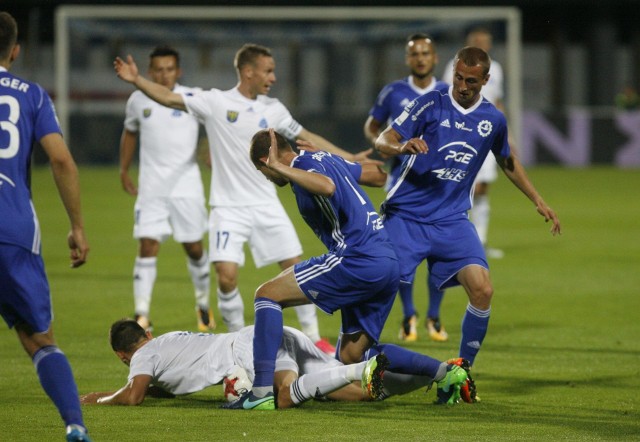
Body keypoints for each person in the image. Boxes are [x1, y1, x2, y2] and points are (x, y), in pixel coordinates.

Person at [113, 43, 375, 354]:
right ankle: (237, 344)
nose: (273, 77)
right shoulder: (215, 102)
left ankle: (314, 336)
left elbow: (308, 137)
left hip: (266, 202)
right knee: (226, 278)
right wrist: (137, 80)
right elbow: (169, 97)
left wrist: (350, 157)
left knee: (296, 266)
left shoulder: (273, 109)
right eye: (268, 71)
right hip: (227, 207)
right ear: (248, 72)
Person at [222, 128, 474, 411]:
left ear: (266, 160)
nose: (267, 177)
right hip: (386, 260)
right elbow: (378, 176)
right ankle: (447, 372)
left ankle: (260, 394)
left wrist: (284, 166)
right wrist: (336, 159)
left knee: (267, 294)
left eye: (263, 170)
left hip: (357, 258)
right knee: (352, 355)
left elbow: (327, 186)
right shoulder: (321, 159)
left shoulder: (300, 165)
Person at [376, 46, 561, 371]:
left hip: (451, 221)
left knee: (482, 289)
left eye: (471, 81)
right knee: (377, 289)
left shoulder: (492, 119)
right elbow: (383, 139)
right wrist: (402, 145)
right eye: (458, 78)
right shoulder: (431, 103)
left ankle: (461, 372)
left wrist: (538, 199)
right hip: (406, 217)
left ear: (485, 80)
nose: (462, 86)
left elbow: (507, 160)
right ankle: (350, 362)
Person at [0, 11, 92, 442]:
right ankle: (74, 424)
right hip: (14, 229)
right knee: (39, 339)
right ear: (15, 51)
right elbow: (60, 159)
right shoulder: (31, 95)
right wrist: (77, 226)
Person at [79, 318, 450, 409]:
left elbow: (135, 396)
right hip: (267, 332)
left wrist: (101, 399)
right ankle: (441, 374)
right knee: (359, 395)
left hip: (248, 348)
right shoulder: (166, 341)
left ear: (123, 354)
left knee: (285, 397)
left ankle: (358, 369)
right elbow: (162, 388)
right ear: (146, 332)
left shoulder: (142, 356)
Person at [119, 45, 213, 333]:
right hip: (152, 187)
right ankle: (142, 313)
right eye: (158, 69)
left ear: (178, 71)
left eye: (169, 69)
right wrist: (123, 169)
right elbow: (130, 133)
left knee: (194, 248)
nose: (163, 74)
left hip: (186, 186)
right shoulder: (137, 100)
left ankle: (202, 304)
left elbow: (214, 126)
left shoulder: (191, 97)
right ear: (149, 72)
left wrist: (209, 151)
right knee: (147, 245)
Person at [364, 33, 449, 343]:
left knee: (440, 257)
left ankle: (435, 315)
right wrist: (382, 145)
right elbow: (373, 126)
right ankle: (409, 314)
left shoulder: (448, 92)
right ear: (408, 59)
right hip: (403, 186)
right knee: (402, 258)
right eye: (415, 54)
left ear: (435, 57)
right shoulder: (394, 92)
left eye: (426, 53)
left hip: (441, 187)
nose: (421, 58)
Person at [443, 27, 507, 259]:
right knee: (466, 187)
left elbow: (498, 101)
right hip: (461, 135)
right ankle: (459, 238)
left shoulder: (495, 69)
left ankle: (479, 241)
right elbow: (445, 97)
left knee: (482, 189)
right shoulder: (455, 64)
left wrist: (507, 134)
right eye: (477, 41)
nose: (482, 44)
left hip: (487, 133)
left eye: (485, 41)